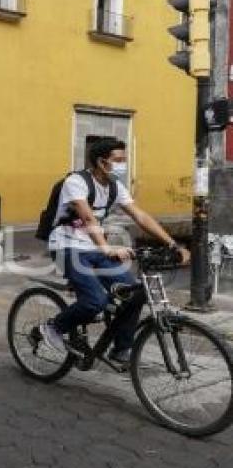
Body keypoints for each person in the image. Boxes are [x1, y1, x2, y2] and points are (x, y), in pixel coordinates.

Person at [39, 138, 190, 365]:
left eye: (124, 160)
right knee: (94, 301)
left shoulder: (114, 186)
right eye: (118, 160)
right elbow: (88, 217)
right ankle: (53, 327)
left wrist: (172, 244)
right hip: (67, 246)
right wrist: (106, 248)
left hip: (94, 246)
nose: (123, 165)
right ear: (101, 162)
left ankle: (121, 350)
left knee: (134, 294)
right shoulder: (76, 182)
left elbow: (140, 216)